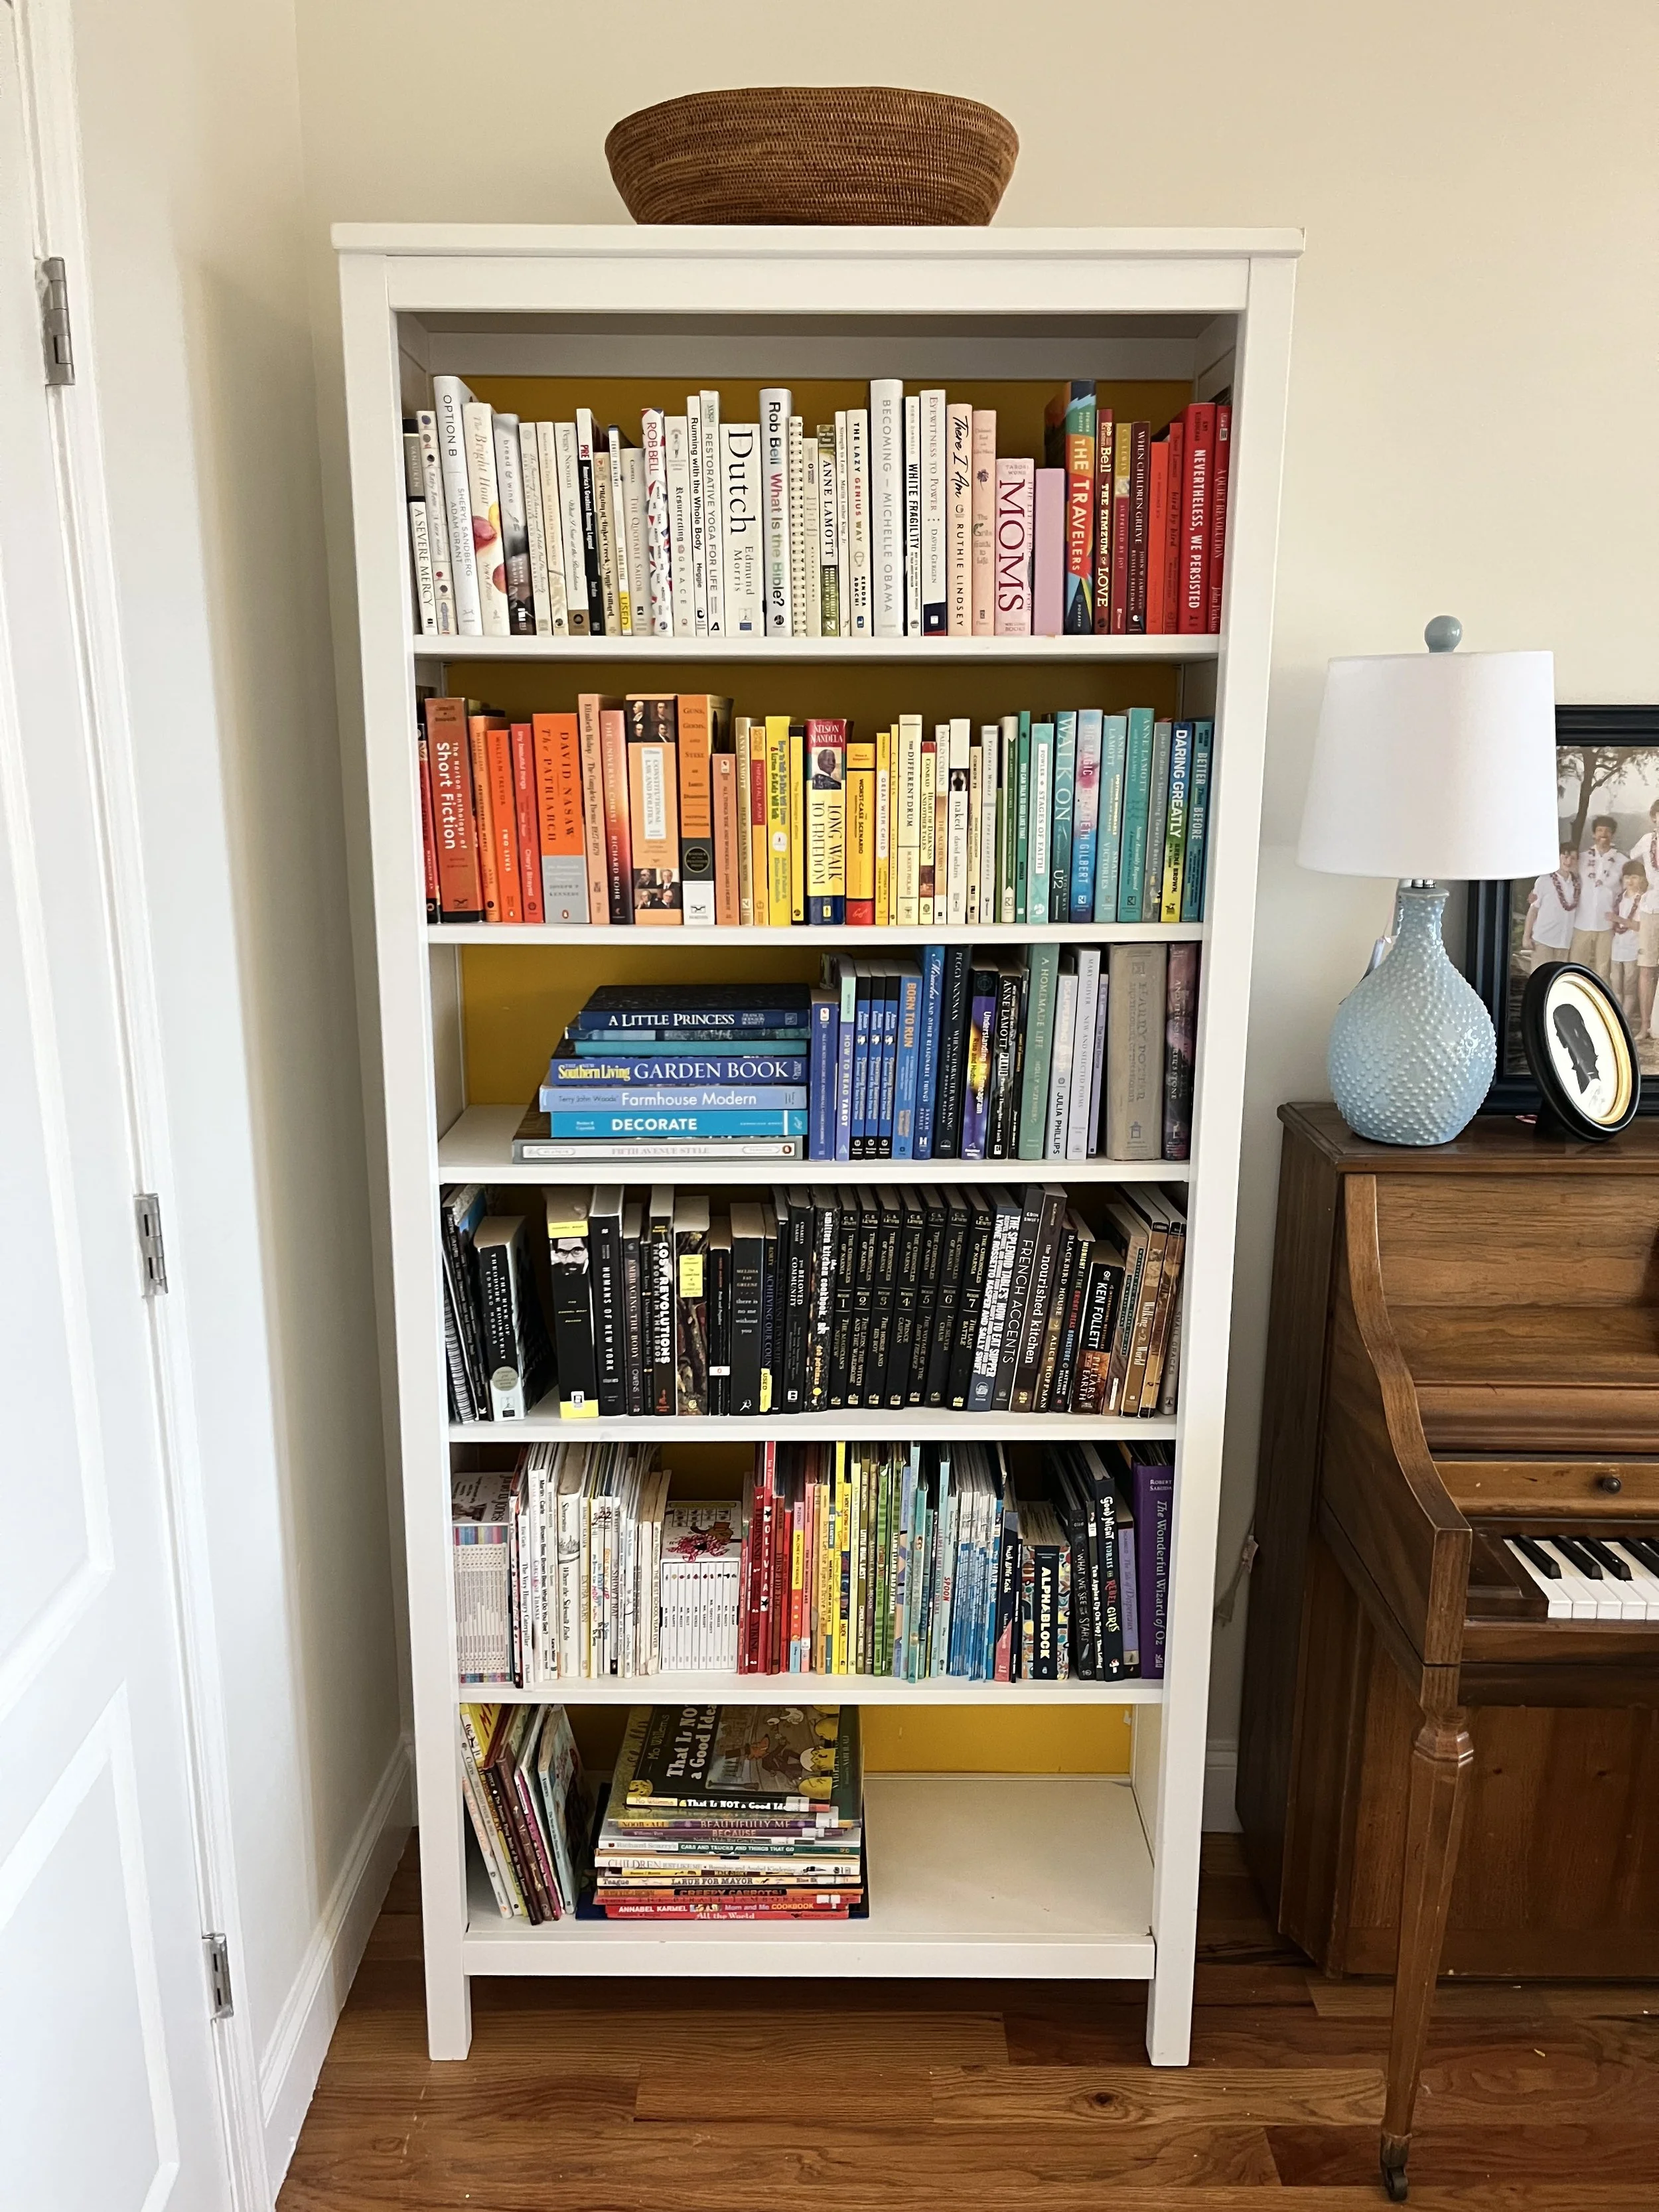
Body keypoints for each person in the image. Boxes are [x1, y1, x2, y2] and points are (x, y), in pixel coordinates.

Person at [1572, 814, 1625, 979]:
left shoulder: (1622, 861)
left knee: (1603, 971)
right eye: (1600, 830)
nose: (1604, 834)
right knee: (1576, 967)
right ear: (1594, 834)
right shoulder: (1582, 858)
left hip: (1607, 924)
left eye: (1608, 831)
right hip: (1582, 922)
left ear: (1613, 835)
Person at [1624, 797, 1659, 1038]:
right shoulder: (1647, 842)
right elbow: (1629, 859)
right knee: (1647, 968)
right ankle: (1645, 1025)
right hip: (1651, 910)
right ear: (1653, 818)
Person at [1522, 842, 1580, 972]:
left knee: (1556, 978)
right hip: (1544, 939)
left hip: (1564, 941)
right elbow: (1533, 910)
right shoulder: (1544, 880)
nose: (1568, 861)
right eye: (1565, 857)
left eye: (1573, 858)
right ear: (1558, 857)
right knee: (1540, 975)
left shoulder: (1576, 884)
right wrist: (1526, 936)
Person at [1612, 860, 1645, 1028]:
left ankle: (1623, 1020)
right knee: (1616, 984)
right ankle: (1617, 1016)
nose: (1630, 881)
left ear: (1641, 879)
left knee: (1629, 987)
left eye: (1634, 877)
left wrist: (1618, 920)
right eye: (1627, 877)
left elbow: (1639, 926)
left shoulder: (1642, 900)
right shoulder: (1620, 898)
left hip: (1633, 948)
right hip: (1617, 948)